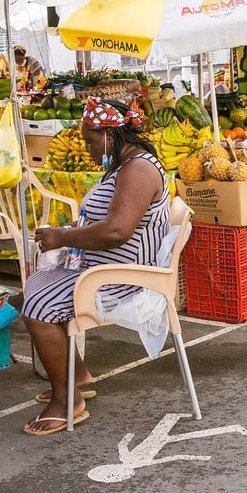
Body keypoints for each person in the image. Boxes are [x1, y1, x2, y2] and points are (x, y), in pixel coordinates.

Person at [17, 96, 173, 435]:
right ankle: (77, 376)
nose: (87, 148)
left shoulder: (139, 170)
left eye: (90, 139)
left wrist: (63, 237)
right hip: (104, 269)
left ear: (110, 135)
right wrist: (74, 230)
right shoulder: (125, 165)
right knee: (37, 284)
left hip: (122, 279)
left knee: (37, 307)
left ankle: (66, 400)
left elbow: (117, 231)